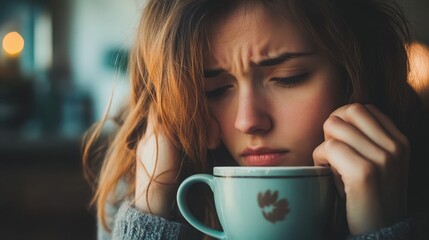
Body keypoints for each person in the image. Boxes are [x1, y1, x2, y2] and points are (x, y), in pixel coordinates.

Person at [83, 0, 429, 239]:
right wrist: (150, 214)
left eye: (288, 77)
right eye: (215, 90)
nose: (248, 121)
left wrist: (384, 229)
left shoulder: (416, 186)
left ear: (353, 74)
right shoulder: (136, 193)